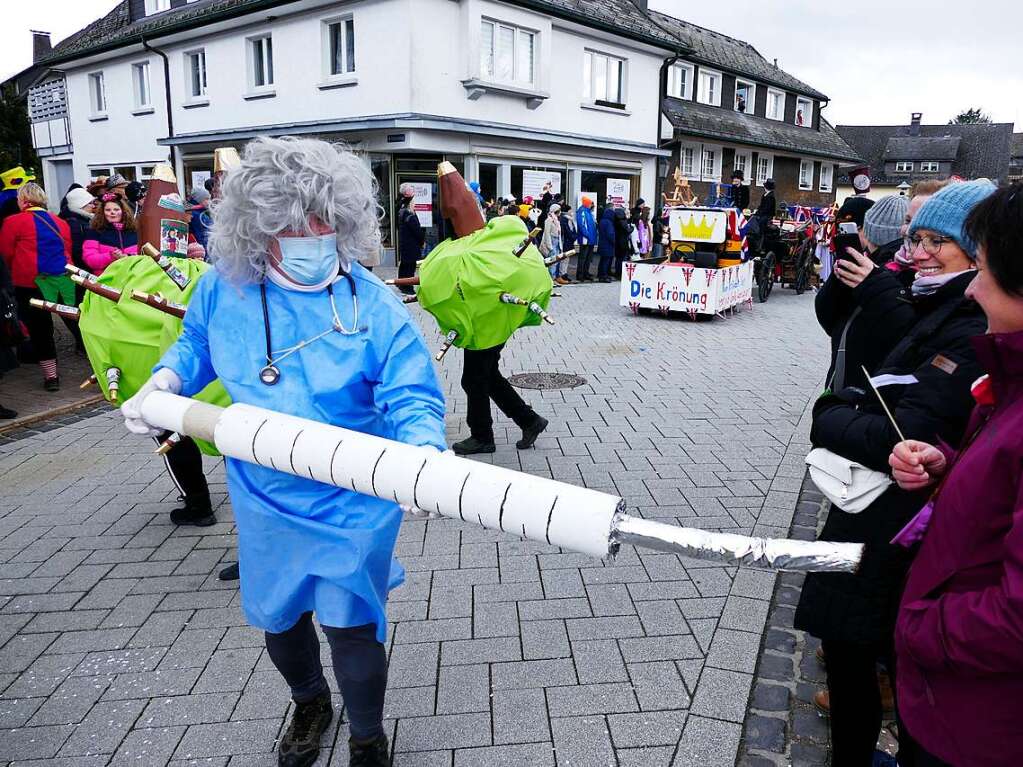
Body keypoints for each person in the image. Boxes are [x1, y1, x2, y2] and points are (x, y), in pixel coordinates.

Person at [120, 136, 446, 767]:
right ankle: (310, 701)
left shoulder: (372, 304)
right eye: (293, 223)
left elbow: (412, 393)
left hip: (355, 492)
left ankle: (368, 738)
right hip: (264, 490)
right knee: (280, 617)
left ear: (346, 221)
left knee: (352, 623)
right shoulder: (224, 289)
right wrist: (166, 380)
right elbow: (194, 344)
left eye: (323, 220)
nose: (311, 233)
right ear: (257, 229)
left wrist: (422, 457)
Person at [794, 180, 996, 767]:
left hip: (892, 524)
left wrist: (833, 410)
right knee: (860, 654)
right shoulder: (925, 297)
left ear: (982, 255)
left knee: (883, 665)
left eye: (941, 242)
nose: (922, 253)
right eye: (917, 238)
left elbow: (897, 427)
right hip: (875, 516)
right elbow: (848, 342)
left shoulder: (961, 319)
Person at [887, 182, 1023, 766]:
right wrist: (952, 466)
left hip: (980, 727)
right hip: (957, 704)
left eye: (985, 267)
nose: (973, 288)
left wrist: (917, 627)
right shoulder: (1011, 381)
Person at [815, 194, 913, 394]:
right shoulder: (900, 268)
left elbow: (827, 315)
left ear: (867, 231)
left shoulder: (884, 272)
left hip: (860, 384)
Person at [0, 182, 73, 391]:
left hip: (28, 283)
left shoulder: (13, 222)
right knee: (64, 323)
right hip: (61, 280)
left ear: (22, 200)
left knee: (38, 329)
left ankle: (50, 375)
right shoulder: (61, 222)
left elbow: (5, 254)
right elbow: (66, 250)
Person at [82, 194, 139, 275]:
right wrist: (111, 256)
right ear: (102, 213)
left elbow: (143, 255)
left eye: (116, 209)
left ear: (123, 211)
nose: (112, 212)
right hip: (106, 280)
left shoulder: (134, 230)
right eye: (108, 210)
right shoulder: (94, 232)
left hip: (133, 278)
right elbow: (90, 260)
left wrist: (128, 256)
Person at [396, 183, 424, 295]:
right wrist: (422, 240)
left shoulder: (400, 206)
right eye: (412, 191)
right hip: (410, 242)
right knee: (409, 265)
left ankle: (401, 283)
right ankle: (407, 287)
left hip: (405, 241)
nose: (414, 193)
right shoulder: (407, 209)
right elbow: (416, 228)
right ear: (407, 193)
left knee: (404, 264)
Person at [541, 203, 566, 285]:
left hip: (557, 242)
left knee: (556, 261)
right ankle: (551, 280)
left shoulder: (556, 220)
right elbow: (547, 233)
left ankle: (554, 278)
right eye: (559, 210)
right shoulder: (549, 220)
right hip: (552, 242)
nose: (560, 212)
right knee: (552, 262)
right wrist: (549, 246)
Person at [575, 197, 597, 281]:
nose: (592, 205)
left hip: (590, 238)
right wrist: (587, 235)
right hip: (586, 239)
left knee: (588, 257)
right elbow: (582, 225)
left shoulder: (588, 212)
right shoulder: (582, 211)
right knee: (583, 257)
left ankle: (585, 273)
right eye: (591, 203)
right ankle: (580, 274)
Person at [596, 205, 616, 282]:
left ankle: (600, 274)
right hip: (608, 245)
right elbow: (610, 234)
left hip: (602, 243)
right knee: (606, 261)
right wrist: (614, 241)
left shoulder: (602, 221)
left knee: (602, 260)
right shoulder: (609, 223)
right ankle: (603, 276)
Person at [612, 206, 632, 279]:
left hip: (618, 242)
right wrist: (632, 228)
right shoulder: (622, 221)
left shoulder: (616, 221)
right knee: (622, 258)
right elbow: (627, 230)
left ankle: (618, 272)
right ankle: (620, 273)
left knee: (618, 259)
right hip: (623, 242)